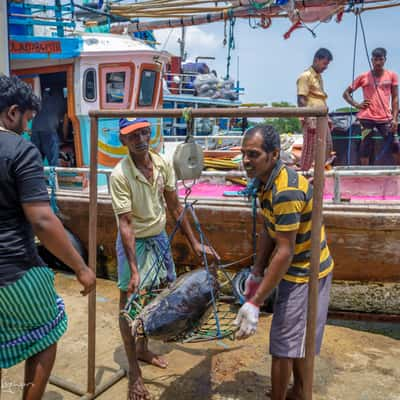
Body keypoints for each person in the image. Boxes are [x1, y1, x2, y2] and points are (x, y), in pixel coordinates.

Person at [0, 75, 96, 400]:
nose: (28, 127)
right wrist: (81, 268)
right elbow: (42, 220)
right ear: (12, 112)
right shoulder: (20, 150)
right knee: (48, 329)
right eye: (27, 118)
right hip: (14, 270)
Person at [110, 118, 218, 400]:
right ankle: (134, 371)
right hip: (134, 242)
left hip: (159, 238)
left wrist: (195, 243)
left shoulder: (161, 164)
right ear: (123, 141)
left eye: (144, 132)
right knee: (130, 303)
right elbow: (126, 225)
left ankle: (143, 348)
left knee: (158, 297)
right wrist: (134, 270)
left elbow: (174, 206)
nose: (140, 139)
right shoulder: (119, 175)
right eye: (133, 136)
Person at [234, 125, 334, 400]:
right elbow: (270, 228)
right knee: (296, 341)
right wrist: (256, 271)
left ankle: (290, 394)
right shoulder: (264, 182)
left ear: (274, 154)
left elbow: (285, 251)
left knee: (282, 346)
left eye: (253, 154)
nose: (246, 161)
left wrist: (254, 303)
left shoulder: (285, 190)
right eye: (244, 154)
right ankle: (299, 392)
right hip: (297, 267)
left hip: (304, 271)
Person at [343, 47, 399, 165]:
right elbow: (346, 94)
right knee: (365, 144)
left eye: (380, 59)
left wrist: (394, 119)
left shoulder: (392, 75)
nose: (378, 62)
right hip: (367, 117)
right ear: (371, 60)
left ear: (385, 60)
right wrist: (357, 104)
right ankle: (365, 173)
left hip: (385, 118)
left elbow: (395, 98)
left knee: (394, 143)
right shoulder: (363, 76)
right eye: (375, 59)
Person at [297, 48, 333, 171]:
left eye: (327, 65)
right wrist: (307, 118)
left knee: (327, 146)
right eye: (324, 63)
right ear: (316, 60)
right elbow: (301, 99)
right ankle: (304, 175)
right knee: (310, 148)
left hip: (322, 116)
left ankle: (318, 174)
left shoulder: (318, 77)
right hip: (312, 116)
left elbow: (319, 97)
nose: (326, 67)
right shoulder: (305, 76)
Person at [31, 86, 67, 166]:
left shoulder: (43, 98)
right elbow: (65, 121)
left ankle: (35, 177)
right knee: (53, 161)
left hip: (35, 128)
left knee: (35, 160)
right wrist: (64, 137)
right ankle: (53, 178)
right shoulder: (63, 102)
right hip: (49, 130)